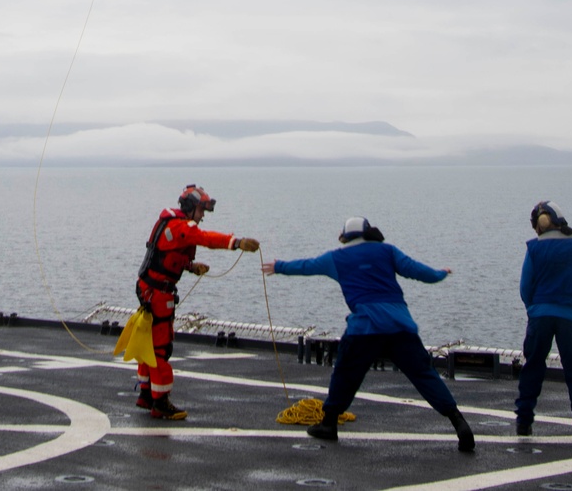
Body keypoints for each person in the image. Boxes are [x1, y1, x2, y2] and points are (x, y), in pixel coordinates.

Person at [262, 216, 474, 452]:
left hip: (364, 328)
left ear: (344, 236)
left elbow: (306, 266)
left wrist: (278, 266)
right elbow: (419, 272)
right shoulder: (387, 251)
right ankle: (459, 422)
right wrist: (441, 273)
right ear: (368, 232)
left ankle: (329, 424)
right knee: (424, 375)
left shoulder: (336, 258)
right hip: (399, 325)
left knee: (345, 374)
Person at [135, 184, 260, 420]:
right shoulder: (181, 227)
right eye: (201, 211)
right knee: (161, 347)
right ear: (191, 208)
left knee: (148, 344)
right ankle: (160, 402)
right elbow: (205, 238)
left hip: (149, 289)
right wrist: (237, 242)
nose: (202, 217)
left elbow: (165, 256)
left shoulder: (169, 224)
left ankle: (146, 394)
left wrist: (190, 267)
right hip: (158, 293)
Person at [515, 201, 572, 448]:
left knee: (532, 367)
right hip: (569, 317)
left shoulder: (534, 248)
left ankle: (524, 422)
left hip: (540, 316)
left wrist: (534, 309)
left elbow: (525, 288)